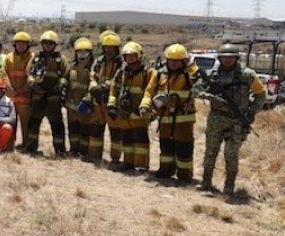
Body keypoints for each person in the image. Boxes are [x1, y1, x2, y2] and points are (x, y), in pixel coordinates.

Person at [195, 43, 266, 195]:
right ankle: (206, 182)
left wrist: (251, 113)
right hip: (215, 118)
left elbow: (261, 95)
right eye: (224, 58)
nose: (227, 60)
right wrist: (209, 96)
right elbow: (196, 89)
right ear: (220, 58)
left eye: (231, 57)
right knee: (210, 151)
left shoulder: (247, 74)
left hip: (236, 121)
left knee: (231, 154)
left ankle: (229, 185)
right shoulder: (212, 74)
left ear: (236, 58)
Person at [140, 43, 199, 183]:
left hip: (183, 119)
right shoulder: (160, 74)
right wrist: (144, 106)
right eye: (171, 60)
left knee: (184, 148)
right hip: (165, 117)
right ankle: (165, 171)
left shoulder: (189, 75)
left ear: (183, 61)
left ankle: (184, 176)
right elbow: (149, 92)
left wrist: (191, 65)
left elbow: (198, 78)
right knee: (165, 146)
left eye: (177, 61)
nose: (173, 63)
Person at [107, 42, 152, 172]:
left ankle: (141, 165)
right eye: (128, 56)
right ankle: (128, 163)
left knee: (140, 139)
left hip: (139, 113)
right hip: (124, 113)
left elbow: (150, 91)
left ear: (139, 56)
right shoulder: (121, 72)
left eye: (133, 56)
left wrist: (145, 107)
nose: (130, 59)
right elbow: (114, 90)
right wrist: (111, 105)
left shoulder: (147, 72)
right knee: (127, 138)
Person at [25, 31, 70, 157]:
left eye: (50, 43)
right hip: (37, 97)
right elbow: (28, 73)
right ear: (42, 44)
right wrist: (34, 85)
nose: (48, 45)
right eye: (45, 43)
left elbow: (66, 75)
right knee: (33, 124)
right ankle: (30, 148)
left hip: (53, 99)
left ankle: (60, 151)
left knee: (57, 126)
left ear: (54, 45)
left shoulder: (61, 59)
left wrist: (59, 86)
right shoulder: (36, 58)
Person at [85, 32, 123, 165]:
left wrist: (105, 86)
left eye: (111, 48)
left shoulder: (121, 63)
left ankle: (116, 159)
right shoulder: (99, 61)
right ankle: (94, 156)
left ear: (116, 48)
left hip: (112, 101)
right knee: (95, 129)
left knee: (115, 132)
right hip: (98, 101)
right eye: (106, 47)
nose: (108, 50)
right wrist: (94, 85)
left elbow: (118, 79)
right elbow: (92, 75)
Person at [3, 32, 35, 149]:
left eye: (23, 44)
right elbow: (4, 73)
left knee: (26, 124)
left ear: (28, 45)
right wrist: (10, 87)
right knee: (11, 123)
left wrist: (23, 89)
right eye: (18, 44)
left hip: (25, 98)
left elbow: (33, 75)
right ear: (14, 44)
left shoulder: (32, 58)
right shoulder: (8, 58)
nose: (21, 46)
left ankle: (26, 145)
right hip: (11, 98)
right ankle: (10, 144)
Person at [66, 37, 94, 160]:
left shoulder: (92, 68)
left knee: (84, 130)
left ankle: (84, 152)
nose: (82, 55)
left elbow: (93, 85)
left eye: (85, 52)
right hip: (71, 105)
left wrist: (87, 100)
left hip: (85, 106)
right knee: (73, 129)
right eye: (79, 52)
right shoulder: (71, 67)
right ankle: (73, 150)